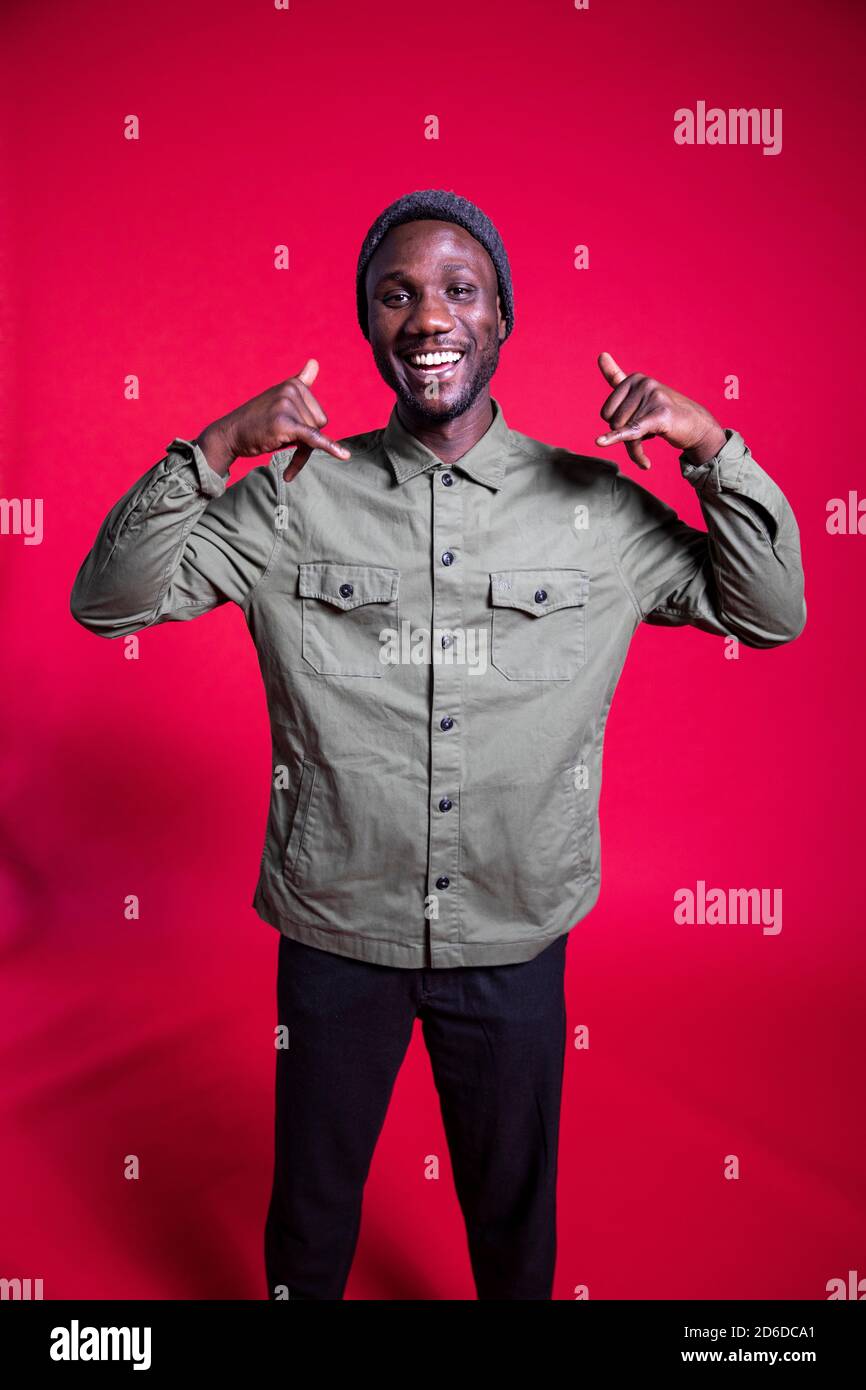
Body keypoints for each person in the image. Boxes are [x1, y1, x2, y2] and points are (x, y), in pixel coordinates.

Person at [70, 188, 807, 1301]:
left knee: (513, 1228)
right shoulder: (291, 502)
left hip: (512, 931)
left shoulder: (592, 510)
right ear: (369, 326)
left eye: (459, 291)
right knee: (310, 1222)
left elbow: (769, 609)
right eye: (397, 294)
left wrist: (711, 446)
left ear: (502, 318)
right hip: (336, 929)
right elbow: (105, 601)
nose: (429, 318)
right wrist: (218, 445)